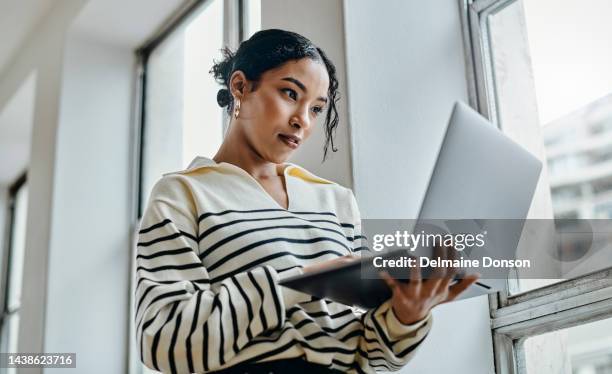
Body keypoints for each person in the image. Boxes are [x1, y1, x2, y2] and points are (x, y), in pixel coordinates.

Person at [134, 29, 479, 374]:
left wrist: (406, 317)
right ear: (240, 87)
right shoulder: (182, 195)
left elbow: (370, 357)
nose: (303, 120)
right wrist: (301, 280)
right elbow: (163, 339)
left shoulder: (336, 201)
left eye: (316, 108)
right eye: (290, 93)